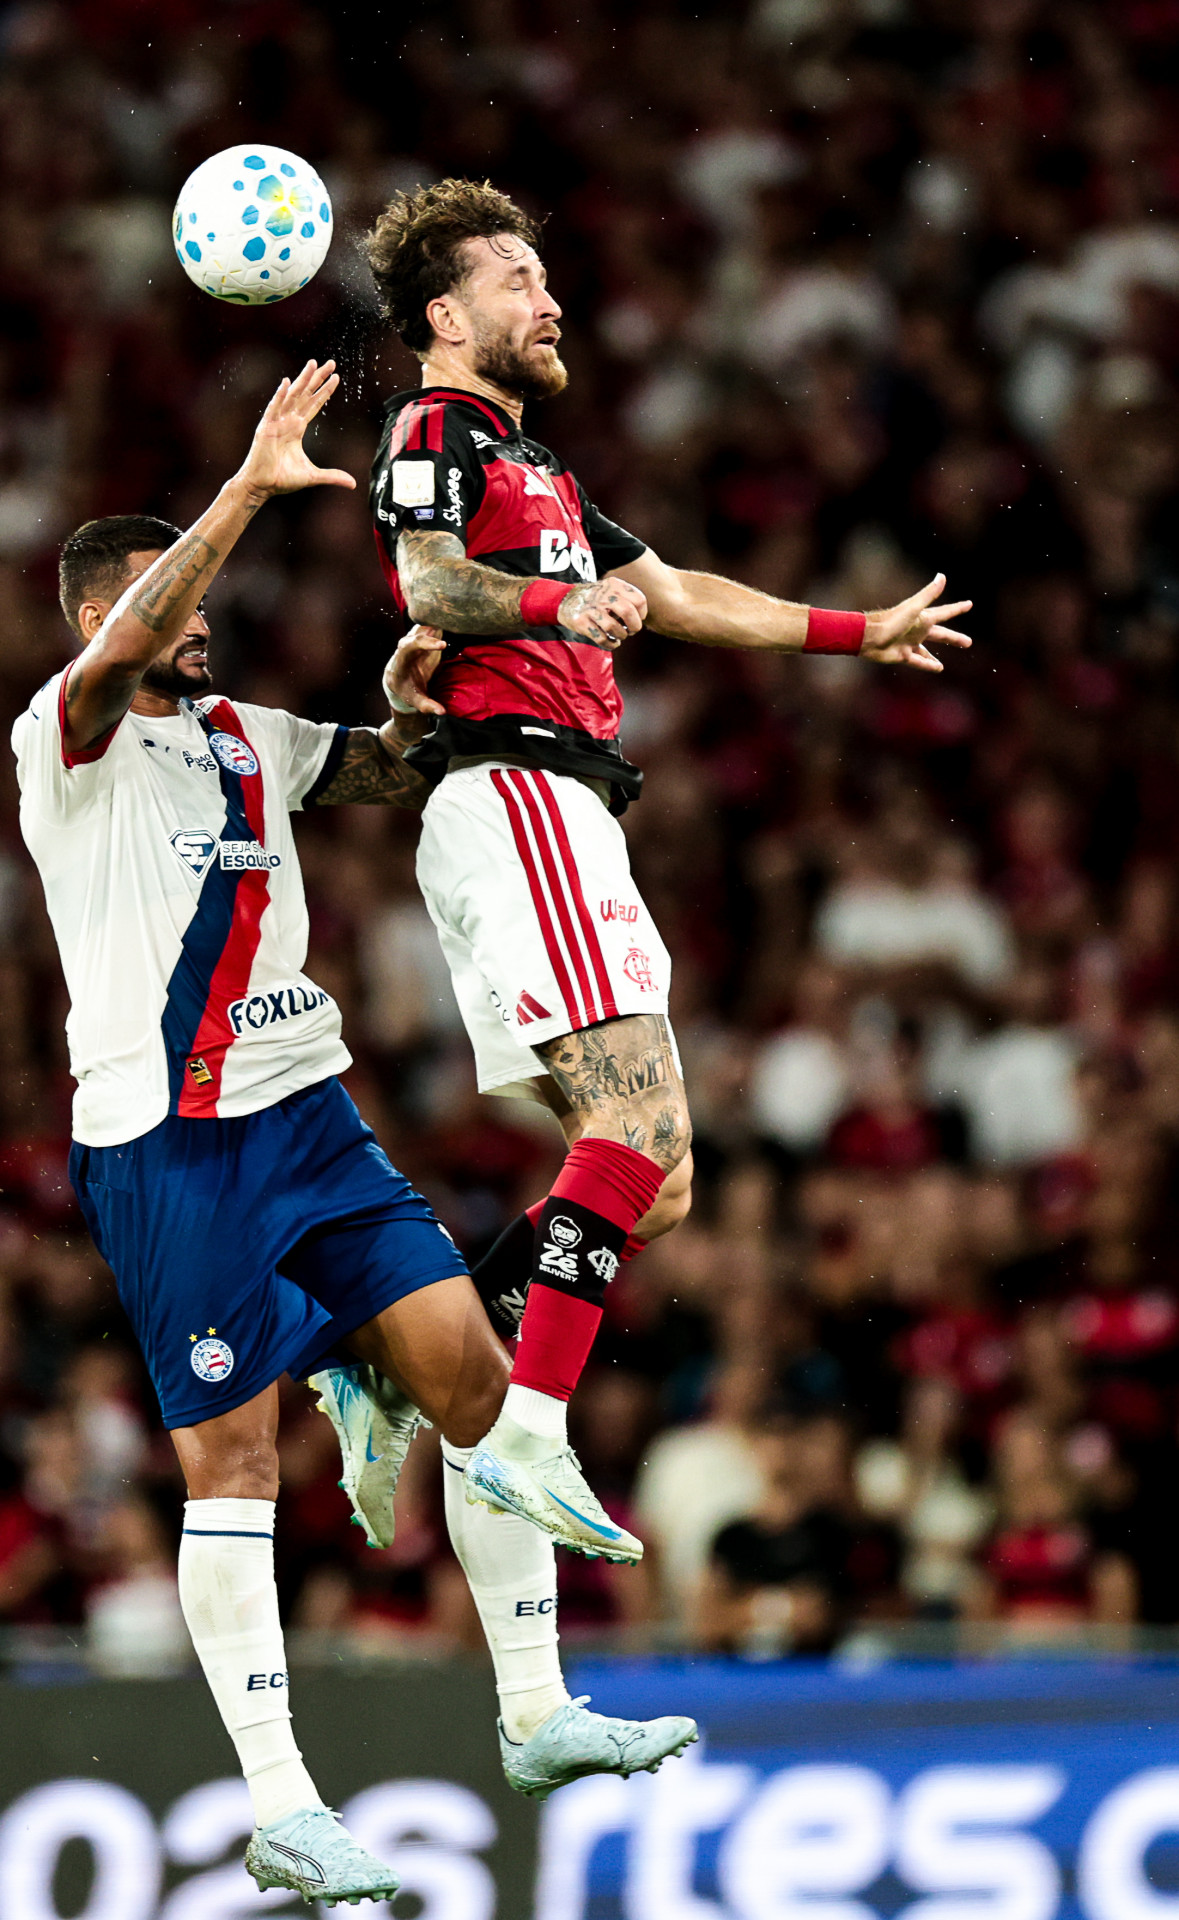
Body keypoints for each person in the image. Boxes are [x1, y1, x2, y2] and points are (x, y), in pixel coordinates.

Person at [12, 362, 697, 1906]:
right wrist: (249, 486)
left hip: (309, 1114)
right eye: (159, 602)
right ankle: (282, 1804)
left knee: (476, 1379)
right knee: (233, 1458)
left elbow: (388, 772)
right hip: (167, 1142)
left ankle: (536, 1712)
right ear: (99, 620)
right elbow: (130, 644)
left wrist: (427, 705)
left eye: (189, 600)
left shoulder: (250, 733)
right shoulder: (68, 737)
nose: (197, 619)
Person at [363, 180, 973, 1561]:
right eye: (520, 279)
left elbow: (684, 592)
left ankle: (390, 1362)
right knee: (633, 1138)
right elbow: (428, 582)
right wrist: (555, 603)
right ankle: (528, 1434)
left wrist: (854, 629)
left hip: (560, 813)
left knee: (662, 1177)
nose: (551, 299)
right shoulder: (437, 428)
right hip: (518, 794)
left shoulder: (548, 470)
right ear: (446, 316)